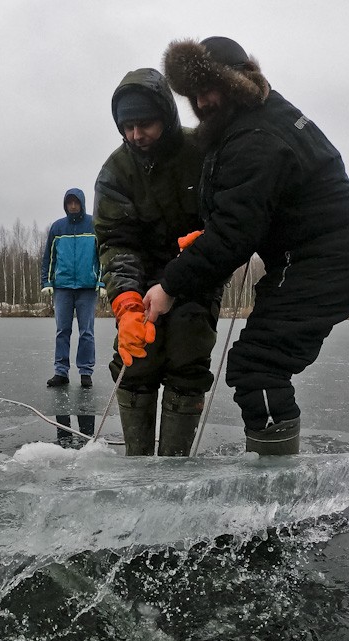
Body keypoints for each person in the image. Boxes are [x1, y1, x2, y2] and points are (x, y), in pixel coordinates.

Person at [144, 36, 349, 455]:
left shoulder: (255, 136)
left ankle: (277, 489)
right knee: (257, 362)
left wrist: (168, 287)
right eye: (194, 93)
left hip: (324, 264)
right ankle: (276, 474)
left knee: (258, 365)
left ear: (238, 81)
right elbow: (241, 214)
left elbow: (235, 234)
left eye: (210, 87)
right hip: (310, 260)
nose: (202, 100)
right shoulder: (253, 119)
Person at [94, 68, 222, 457]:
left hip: (195, 273)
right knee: (137, 360)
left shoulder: (201, 152)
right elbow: (116, 243)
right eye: (127, 126)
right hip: (141, 276)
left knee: (187, 352)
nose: (136, 135)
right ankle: (138, 464)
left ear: (166, 116)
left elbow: (229, 212)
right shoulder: (115, 171)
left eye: (144, 124)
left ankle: (173, 467)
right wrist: (127, 303)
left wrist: (205, 244)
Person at [41, 188, 104, 388]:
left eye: (76, 202)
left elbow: (103, 255)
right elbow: (48, 258)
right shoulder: (58, 228)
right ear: (66, 205)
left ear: (82, 204)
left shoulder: (94, 225)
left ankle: (86, 372)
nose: (73, 206)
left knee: (87, 331)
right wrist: (47, 282)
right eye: (70, 203)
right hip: (63, 288)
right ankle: (61, 372)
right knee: (63, 330)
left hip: (87, 287)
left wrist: (101, 282)